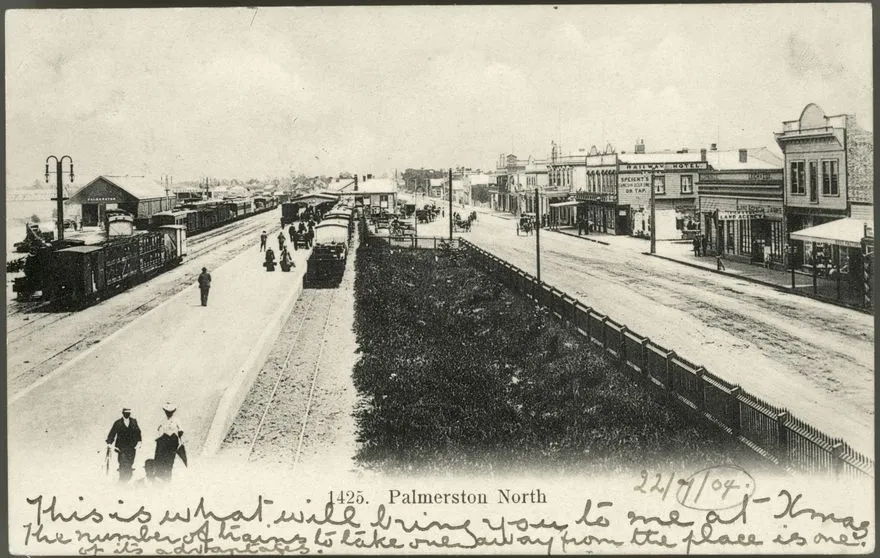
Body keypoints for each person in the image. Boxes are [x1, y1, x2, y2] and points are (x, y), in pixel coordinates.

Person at [106, 407, 142, 482]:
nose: (127, 414)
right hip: (121, 447)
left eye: (129, 413)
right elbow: (112, 433)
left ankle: (127, 479)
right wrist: (109, 442)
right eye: (126, 413)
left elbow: (138, 432)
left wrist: (139, 441)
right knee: (122, 463)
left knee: (130, 463)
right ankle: (122, 480)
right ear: (123, 413)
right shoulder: (118, 423)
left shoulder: (134, 421)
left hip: (132, 447)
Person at [153, 403, 184, 482]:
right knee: (161, 458)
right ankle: (160, 476)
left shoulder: (176, 419)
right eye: (167, 412)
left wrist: (180, 433)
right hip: (164, 441)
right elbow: (159, 429)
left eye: (170, 412)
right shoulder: (163, 420)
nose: (168, 413)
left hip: (172, 442)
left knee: (170, 460)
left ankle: (167, 477)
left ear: (173, 412)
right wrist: (160, 436)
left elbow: (181, 429)